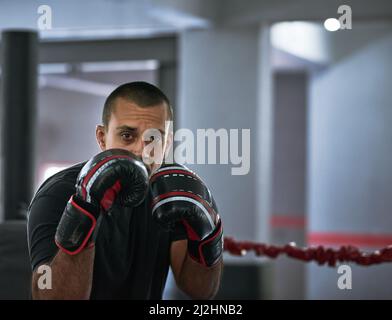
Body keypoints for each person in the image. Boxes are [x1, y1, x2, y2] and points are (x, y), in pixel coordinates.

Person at [27, 81, 223, 300]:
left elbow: (201, 290)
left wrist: (206, 238)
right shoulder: (58, 193)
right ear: (102, 137)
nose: (141, 149)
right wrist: (85, 208)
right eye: (127, 136)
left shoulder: (173, 191)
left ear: (166, 144)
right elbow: (47, 295)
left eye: (153, 139)